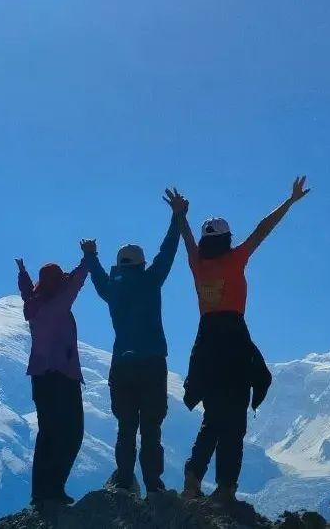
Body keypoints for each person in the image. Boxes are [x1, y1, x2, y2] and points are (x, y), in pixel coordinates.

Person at [180, 176, 311, 502]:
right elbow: (262, 230)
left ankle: (193, 478)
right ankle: (226, 488)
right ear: (227, 239)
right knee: (234, 421)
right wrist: (290, 201)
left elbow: (187, 240)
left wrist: (180, 215)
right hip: (235, 343)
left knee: (212, 419)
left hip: (207, 344)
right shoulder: (234, 259)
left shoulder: (197, 264)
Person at [83, 188, 189, 496]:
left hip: (122, 364)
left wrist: (90, 255)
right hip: (152, 362)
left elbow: (98, 277)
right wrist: (177, 216)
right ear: (141, 263)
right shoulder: (150, 279)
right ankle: (154, 485)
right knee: (151, 428)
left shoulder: (112, 289)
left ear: (120, 265)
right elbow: (167, 251)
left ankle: (124, 481)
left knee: (126, 427)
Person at [16, 251, 89, 507]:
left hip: (40, 377)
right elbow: (75, 283)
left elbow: (27, 291)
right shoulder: (58, 304)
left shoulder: (34, 303)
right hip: (63, 376)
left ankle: (41, 493)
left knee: (48, 433)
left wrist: (23, 273)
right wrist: (88, 258)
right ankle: (55, 488)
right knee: (72, 433)